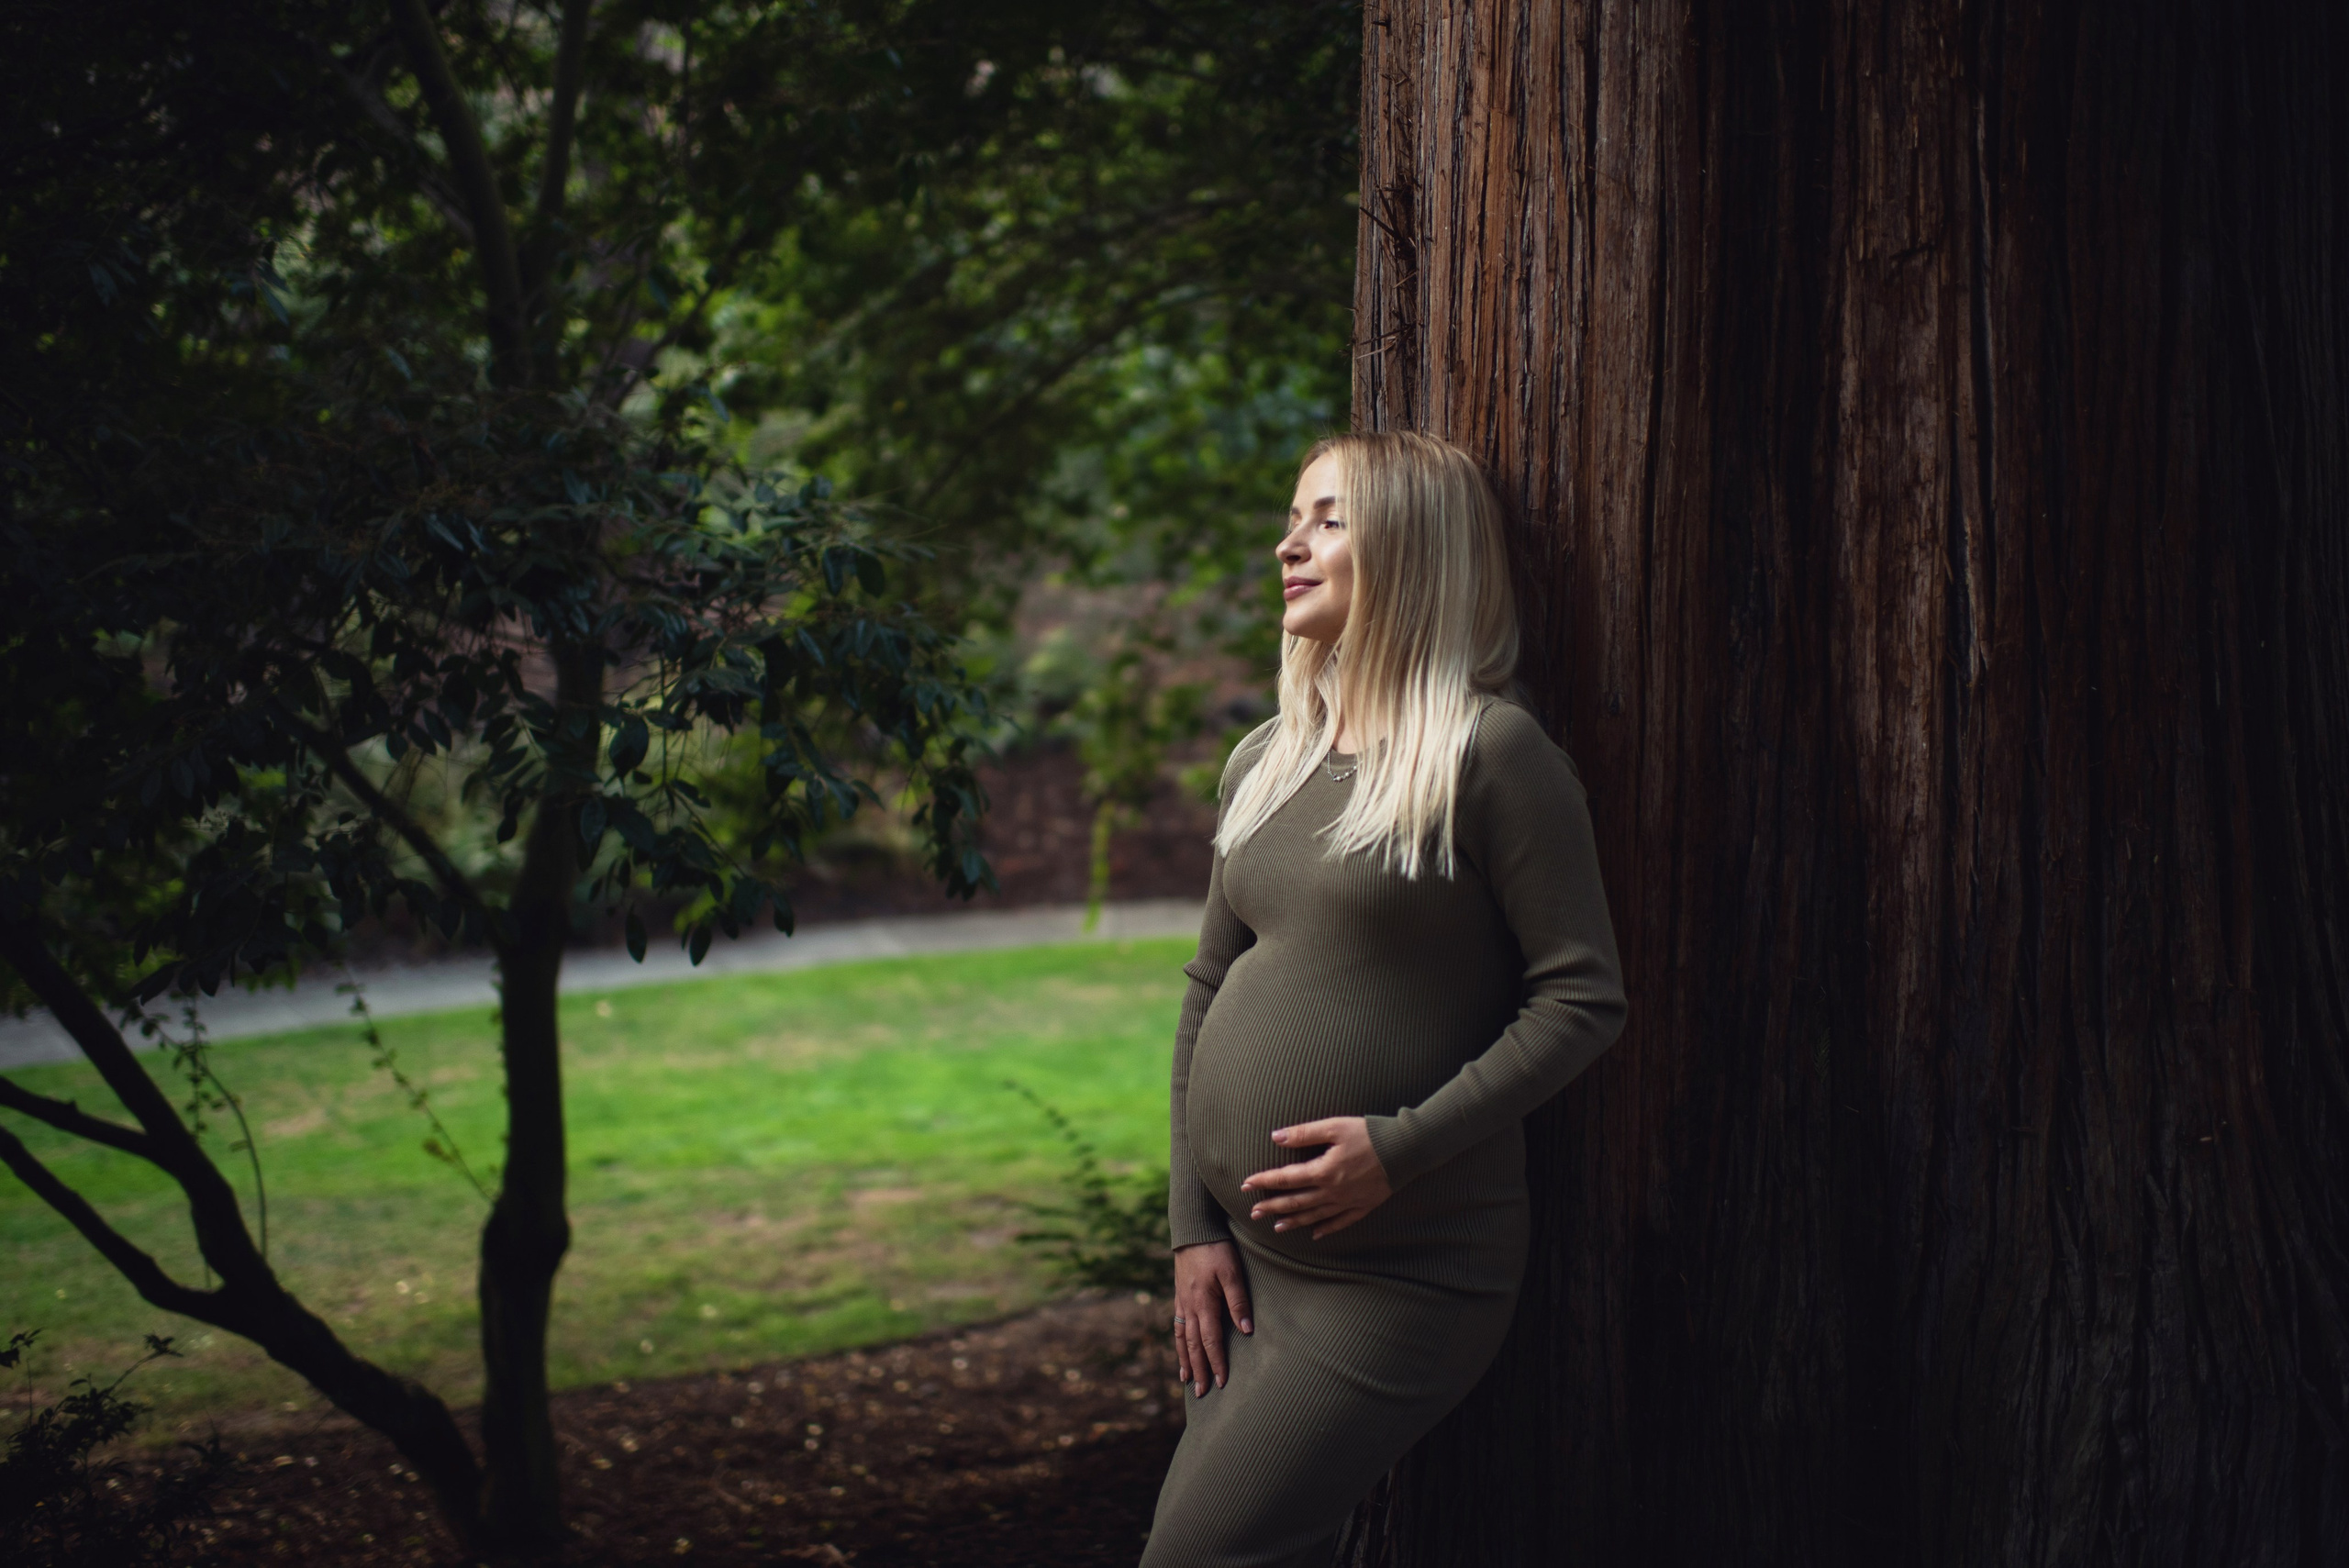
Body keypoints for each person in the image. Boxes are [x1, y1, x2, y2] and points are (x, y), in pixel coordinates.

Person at [1141, 431, 1627, 1567]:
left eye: (1326, 519)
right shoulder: (1269, 754)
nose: (1286, 544)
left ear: (1410, 548)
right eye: (1292, 517)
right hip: (1251, 1274)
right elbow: (1209, 983)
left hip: (1398, 1271)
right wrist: (1190, 1230)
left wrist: (1399, 1149)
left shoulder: (1492, 754)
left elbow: (1582, 998)